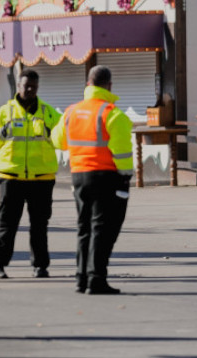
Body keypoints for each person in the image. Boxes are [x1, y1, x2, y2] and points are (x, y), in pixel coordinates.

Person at [51, 65, 134, 295]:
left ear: (87, 84)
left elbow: (58, 141)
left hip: (78, 176)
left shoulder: (71, 111)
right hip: (106, 176)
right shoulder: (112, 113)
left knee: (84, 227)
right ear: (109, 86)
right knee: (102, 228)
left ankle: (81, 278)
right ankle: (96, 278)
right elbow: (122, 152)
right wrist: (126, 175)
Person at [0, 69, 62, 279]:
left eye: (33, 87)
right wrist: (2, 133)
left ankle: (40, 266)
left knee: (39, 225)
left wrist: (50, 133)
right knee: (7, 224)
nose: (29, 90)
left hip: (42, 178)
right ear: (18, 86)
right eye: (26, 86)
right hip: (11, 177)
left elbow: (64, 137)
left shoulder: (48, 112)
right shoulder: (5, 112)